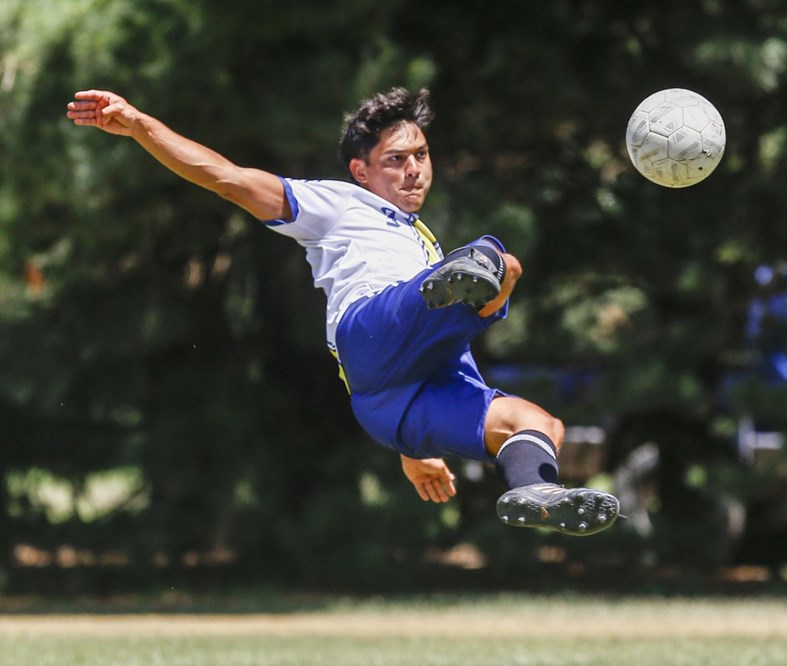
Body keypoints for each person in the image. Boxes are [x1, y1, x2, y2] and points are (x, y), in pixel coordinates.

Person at [66, 87, 620, 536]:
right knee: (492, 258)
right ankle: (465, 282)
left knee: (539, 422)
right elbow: (226, 178)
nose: (413, 171)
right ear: (361, 170)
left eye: (421, 156)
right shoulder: (340, 203)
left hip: (390, 403)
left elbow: (453, 350)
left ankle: (536, 494)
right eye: (395, 160)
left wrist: (414, 447)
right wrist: (140, 125)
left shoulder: (423, 240)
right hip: (372, 335)